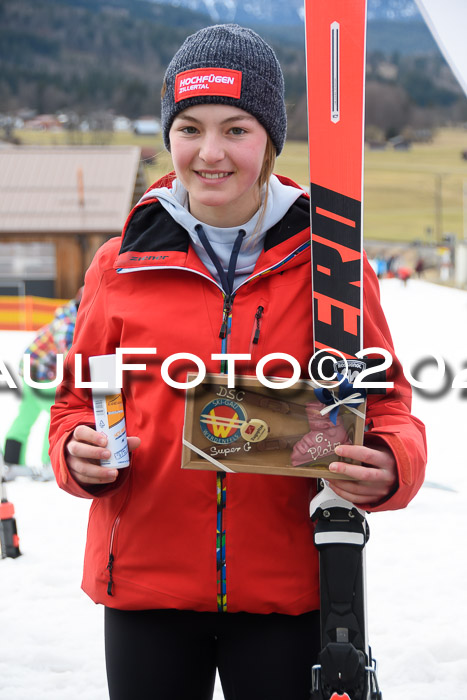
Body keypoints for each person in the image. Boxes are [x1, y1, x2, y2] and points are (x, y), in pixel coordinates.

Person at [49, 25, 427, 700]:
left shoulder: (330, 265)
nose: (210, 152)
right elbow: (75, 401)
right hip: (145, 590)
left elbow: (390, 405)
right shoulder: (119, 265)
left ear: (271, 140)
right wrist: (75, 455)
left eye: (236, 129)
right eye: (189, 128)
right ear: (168, 137)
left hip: (288, 591)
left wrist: (391, 463)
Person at [3, 288, 82, 479]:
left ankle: (10, 463)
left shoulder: (70, 315)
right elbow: (70, 353)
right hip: (39, 373)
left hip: (31, 369)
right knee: (55, 411)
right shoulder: (68, 322)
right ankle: (49, 464)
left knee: (26, 415)